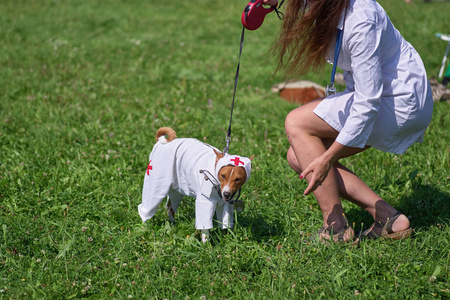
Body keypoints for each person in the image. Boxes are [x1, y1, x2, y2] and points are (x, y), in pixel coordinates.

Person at [263, 0, 434, 241]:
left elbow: (367, 103)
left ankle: (335, 228)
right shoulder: (333, 5)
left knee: (297, 122)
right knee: (298, 155)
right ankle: (388, 217)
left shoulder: (361, 18)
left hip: (397, 103)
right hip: (387, 99)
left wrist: (329, 157)